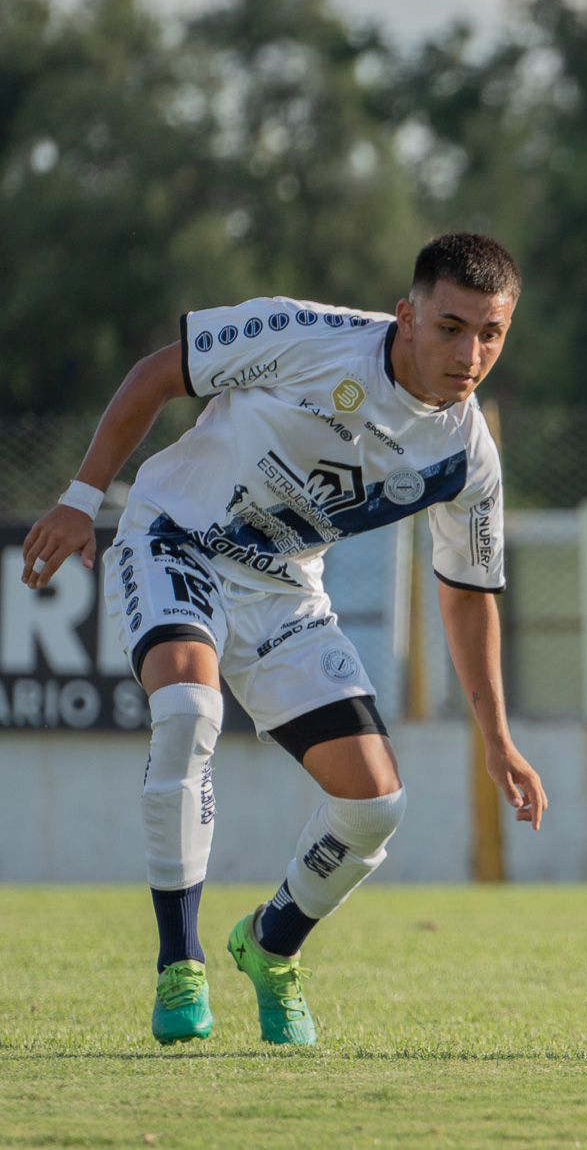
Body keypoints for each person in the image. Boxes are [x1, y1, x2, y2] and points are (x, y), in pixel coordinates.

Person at [19, 233, 548, 1046]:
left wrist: (498, 738)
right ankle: (179, 963)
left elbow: (470, 592)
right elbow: (161, 372)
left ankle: (269, 946)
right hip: (176, 539)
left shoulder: (466, 457)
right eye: (450, 327)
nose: (470, 353)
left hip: (284, 589)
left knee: (375, 804)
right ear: (407, 316)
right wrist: (80, 495)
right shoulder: (306, 334)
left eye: (491, 334)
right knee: (189, 710)